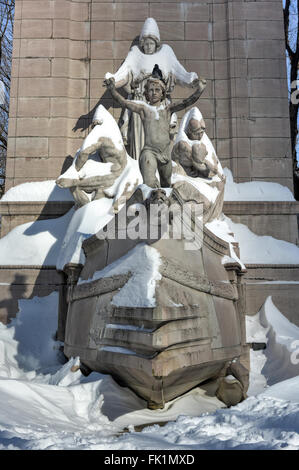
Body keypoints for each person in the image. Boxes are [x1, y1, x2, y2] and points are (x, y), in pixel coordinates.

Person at [104, 18, 199, 159]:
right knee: (140, 138)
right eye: (146, 43)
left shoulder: (166, 53)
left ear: (156, 43)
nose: (148, 46)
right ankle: (140, 167)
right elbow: (123, 74)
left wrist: (193, 80)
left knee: (161, 136)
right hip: (139, 102)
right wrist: (112, 80)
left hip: (160, 105)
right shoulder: (135, 53)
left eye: (151, 43)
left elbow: (180, 73)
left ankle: (161, 170)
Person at [104, 67, 206, 188]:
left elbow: (187, 102)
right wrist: (112, 90)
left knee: (166, 185)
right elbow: (124, 102)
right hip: (149, 152)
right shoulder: (144, 109)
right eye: (151, 90)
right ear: (146, 93)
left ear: (163, 92)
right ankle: (149, 203)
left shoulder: (168, 109)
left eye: (157, 90)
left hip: (165, 153)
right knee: (150, 184)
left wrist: (199, 90)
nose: (154, 93)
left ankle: (161, 206)